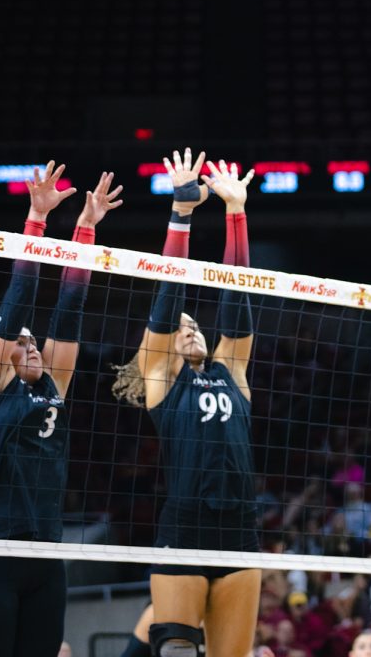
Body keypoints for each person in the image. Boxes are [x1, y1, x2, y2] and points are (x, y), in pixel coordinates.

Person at [0, 164, 121, 657]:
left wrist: (86, 227)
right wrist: (36, 218)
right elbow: (19, 297)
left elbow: (70, 307)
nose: (29, 344)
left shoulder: (53, 383)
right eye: (18, 340)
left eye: (32, 341)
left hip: (45, 553)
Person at [111, 150, 261, 657]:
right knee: (175, 650)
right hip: (185, 528)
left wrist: (235, 211)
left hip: (241, 531)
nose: (190, 328)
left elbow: (236, 298)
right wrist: (182, 213)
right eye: (181, 328)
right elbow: (166, 302)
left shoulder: (231, 371)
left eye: (195, 325)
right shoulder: (161, 380)